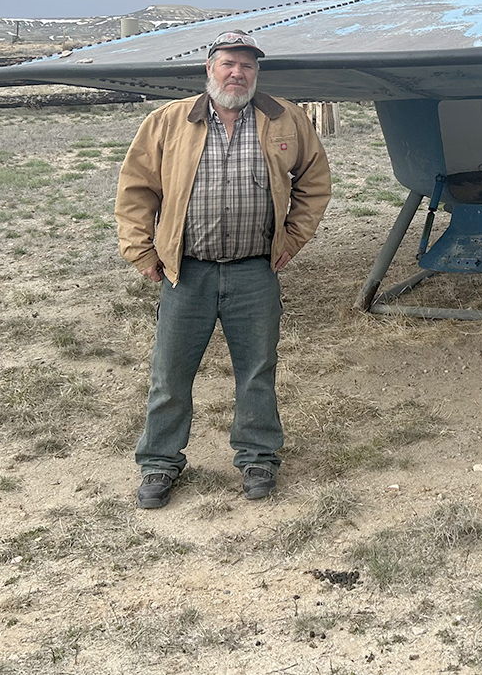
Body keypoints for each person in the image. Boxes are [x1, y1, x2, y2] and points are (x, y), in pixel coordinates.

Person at [115, 30, 331, 506]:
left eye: (247, 65)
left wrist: (292, 240)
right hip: (186, 272)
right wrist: (142, 250)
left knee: (257, 370)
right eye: (228, 63)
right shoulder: (168, 122)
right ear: (209, 69)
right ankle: (159, 464)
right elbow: (136, 190)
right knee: (170, 374)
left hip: (255, 271)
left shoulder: (285, 120)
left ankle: (258, 457)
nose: (238, 73)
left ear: (257, 73)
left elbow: (314, 181)